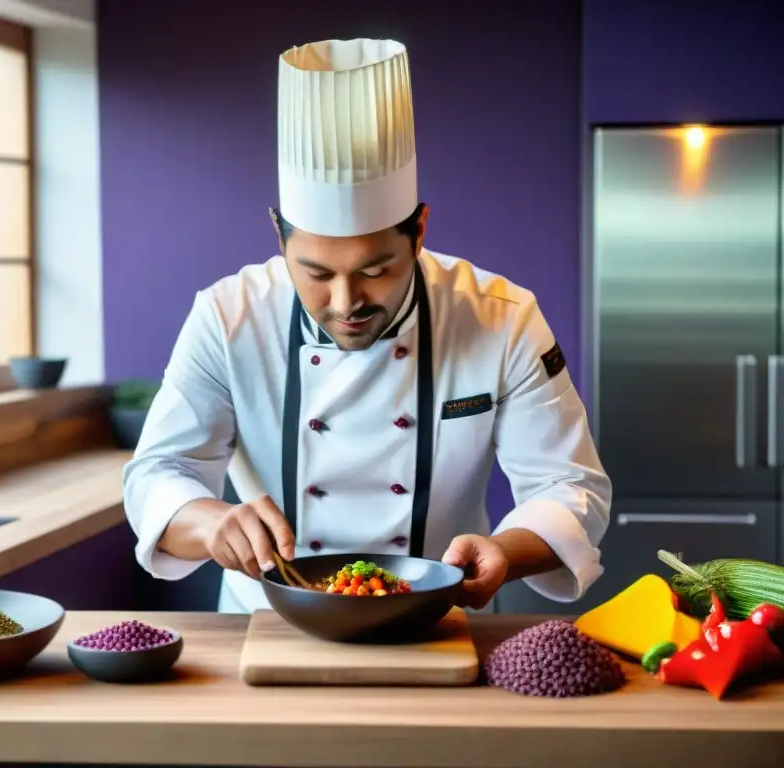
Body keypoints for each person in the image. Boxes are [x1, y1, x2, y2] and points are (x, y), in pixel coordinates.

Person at [123, 37, 611, 614]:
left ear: (420, 231)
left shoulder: (501, 317)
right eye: (315, 273)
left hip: (439, 620)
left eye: (377, 270)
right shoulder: (228, 317)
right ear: (278, 237)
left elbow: (569, 485)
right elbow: (159, 471)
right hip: (267, 625)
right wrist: (212, 525)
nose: (345, 301)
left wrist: (506, 548)